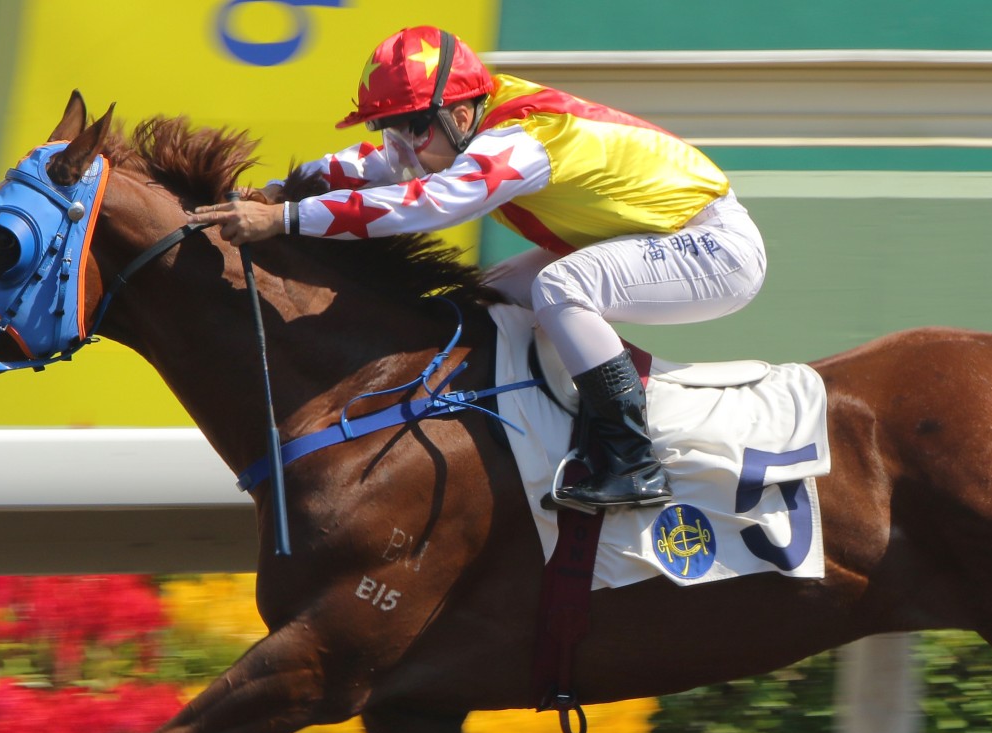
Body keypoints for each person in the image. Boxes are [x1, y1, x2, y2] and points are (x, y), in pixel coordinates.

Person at [187, 26, 767, 510]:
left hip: (714, 247)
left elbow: (428, 205)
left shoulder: (523, 138)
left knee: (560, 287)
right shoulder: (459, 126)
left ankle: (633, 462)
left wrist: (285, 218)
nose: (400, 145)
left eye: (412, 126)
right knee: (486, 296)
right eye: (389, 126)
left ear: (461, 112)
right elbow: (368, 165)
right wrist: (274, 189)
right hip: (645, 236)